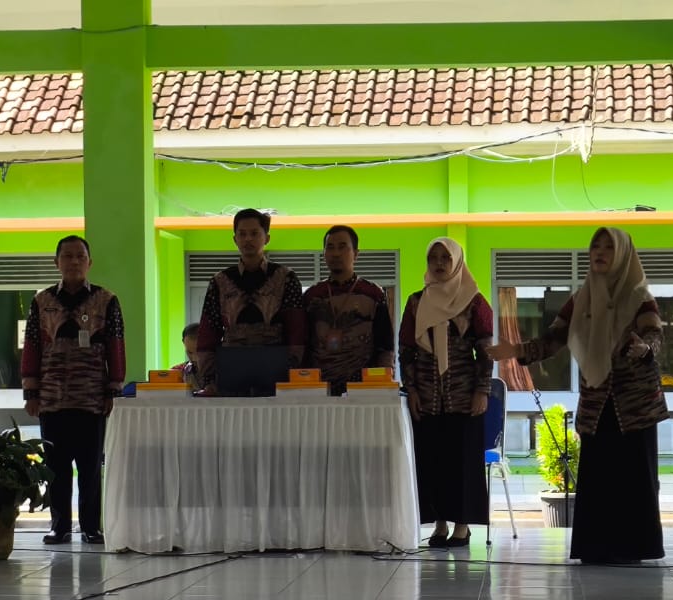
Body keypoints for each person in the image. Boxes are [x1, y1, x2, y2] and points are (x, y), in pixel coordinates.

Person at [489, 227, 668, 564]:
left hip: (636, 405)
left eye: (608, 247)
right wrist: (517, 350)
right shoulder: (581, 299)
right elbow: (554, 338)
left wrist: (644, 349)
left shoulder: (639, 297)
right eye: (595, 246)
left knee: (634, 477)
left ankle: (635, 548)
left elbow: (655, 336)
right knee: (598, 476)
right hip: (597, 402)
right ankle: (595, 548)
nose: (599, 252)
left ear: (623, 254)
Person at [21, 235, 125, 546]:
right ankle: (60, 526)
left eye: (80, 256)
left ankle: (91, 527)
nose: (74, 261)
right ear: (57, 262)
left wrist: (113, 389)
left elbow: (116, 347)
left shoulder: (107, 300)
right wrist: (31, 391)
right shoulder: (41, 301)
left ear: (90, 262)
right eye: (67, 256)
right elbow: (32, 347)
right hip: (52, 398)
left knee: (90, 467)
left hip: (91, 397)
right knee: (56, 467)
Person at [399, 237, 493, 549]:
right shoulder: (416, 302)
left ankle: (462, 527)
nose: (439, 263)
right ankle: (440, 524)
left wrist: (482, 390)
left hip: (464, 397)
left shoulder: (474, 302)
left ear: (457, 262)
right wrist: (411, 390)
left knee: (462, 464)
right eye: (433, 258)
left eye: (445, 258)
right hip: (427, 398)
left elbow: (486, 350)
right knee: (433, 462)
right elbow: (406, 350)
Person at [194, 209, 306, 393]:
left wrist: (294, 374)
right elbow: (208, 332)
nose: (248, 239)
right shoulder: (220, 281)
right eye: (242, 234)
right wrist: (209, 379)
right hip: (231, 366)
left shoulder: (286, 278)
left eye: (254, 233)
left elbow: (297, 331)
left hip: (277, 367)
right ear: (235, 239)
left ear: (266, 238)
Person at [303, 225, 394, 393]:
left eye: (342, 247)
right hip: (319, 389)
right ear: (324, 254)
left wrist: (384, 385)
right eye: (330, 247)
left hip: (363, 388)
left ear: (356, 254)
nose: (336, 253)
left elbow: (385, 346)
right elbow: (303, 345)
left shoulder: (374, 294)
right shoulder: (312, 296)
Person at [172, 323, 202, 390]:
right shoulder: (177, 372)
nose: (194, 359)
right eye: (190, 352)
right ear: (183, 343)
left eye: (199, 353)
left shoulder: (221, 373)